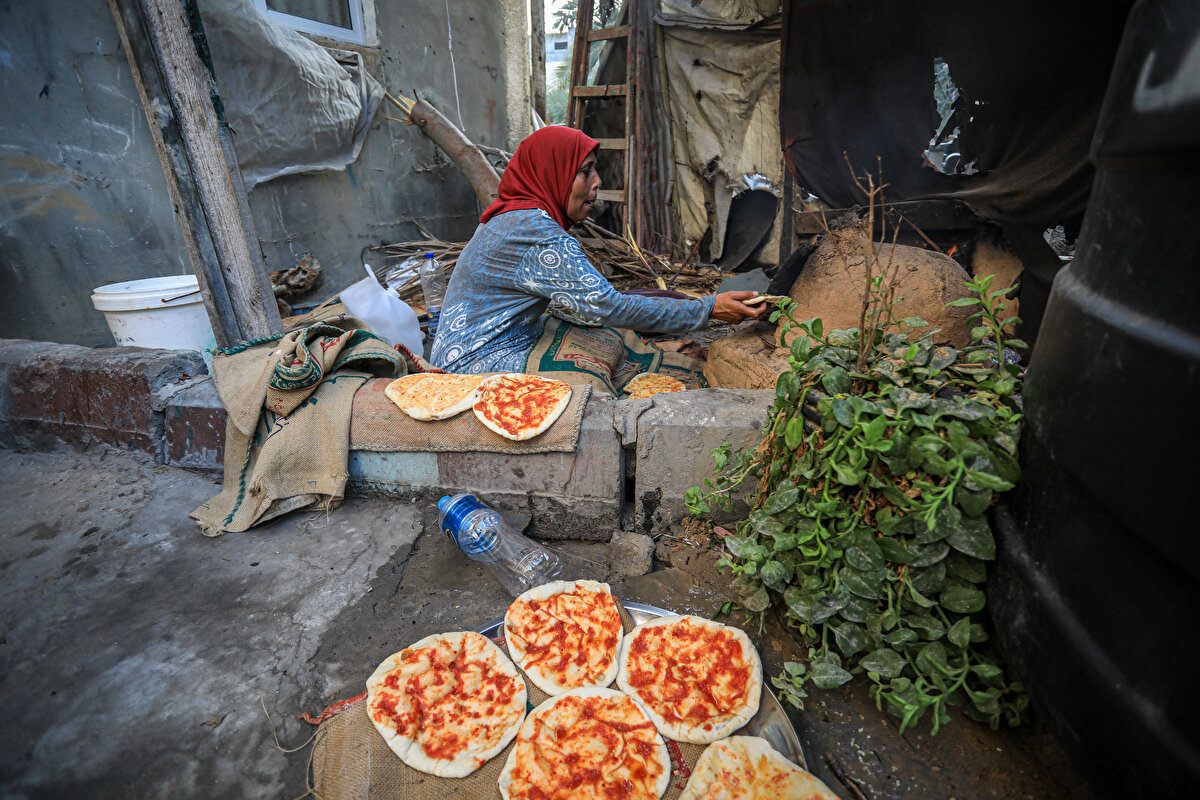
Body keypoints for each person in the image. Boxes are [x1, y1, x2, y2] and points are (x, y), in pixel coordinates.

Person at [429, 126, 767, 374]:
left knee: (600, 339)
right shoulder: (534, 229)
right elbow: (605, 306)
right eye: (585, 171)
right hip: (471, 364)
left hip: (463, 348)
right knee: (591, 378)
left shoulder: (514, 214)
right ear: (553, 174)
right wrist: (708, 309)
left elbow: (590, 303)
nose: (597, 181)